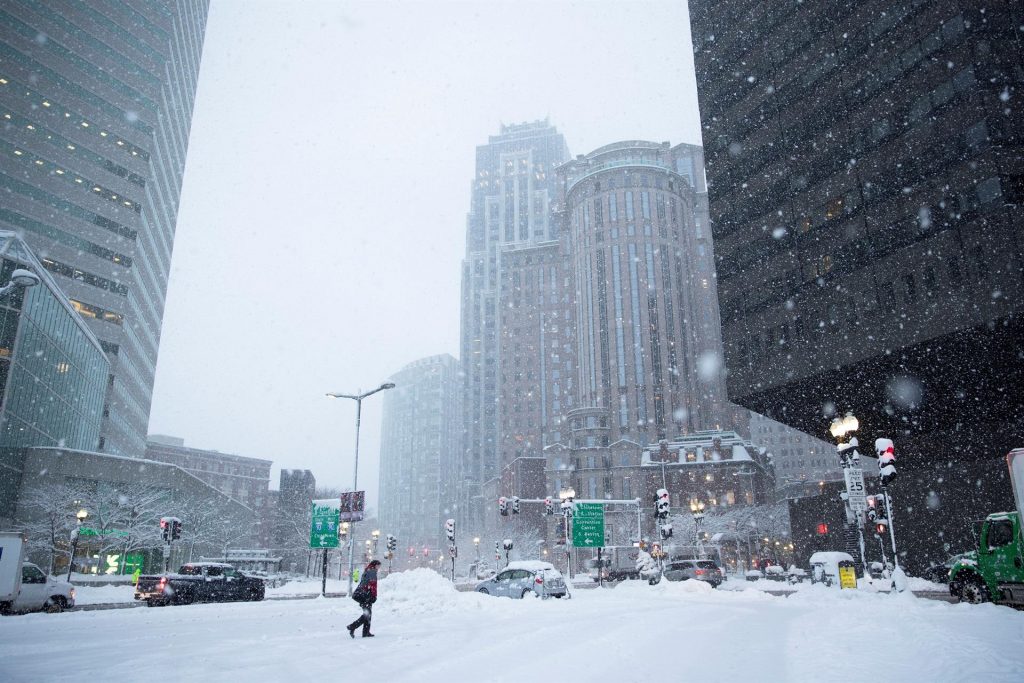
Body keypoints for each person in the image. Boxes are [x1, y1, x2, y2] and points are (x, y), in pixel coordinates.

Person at [347, 560, 380, 638]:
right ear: (374, 565)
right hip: (365, 595)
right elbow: (373, 585)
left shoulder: (367, 570)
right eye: (378, 566)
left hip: (361, 594)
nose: (379, 568)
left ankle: (365, 632)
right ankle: (353, 626)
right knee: (367, 614)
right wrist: (374, 596)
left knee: (368, 613)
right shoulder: (372, 571)